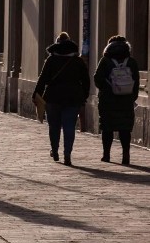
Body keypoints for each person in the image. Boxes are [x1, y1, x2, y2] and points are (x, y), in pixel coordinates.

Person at [32, 32, 90, 166]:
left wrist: (36, 94)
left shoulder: (51, 60)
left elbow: (43, 79)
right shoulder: (77, 61)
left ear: (57, 44)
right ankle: (67, 154)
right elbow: (86, 81)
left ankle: (55, 150)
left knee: (54, 126)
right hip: (73, 97)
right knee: (69, 126)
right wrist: (83, 96)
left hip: (53, 97)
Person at [93, 35, 140, 165]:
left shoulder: (105, 61)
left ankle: (106, 154)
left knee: (107, 128)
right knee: (125, 129)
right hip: (126, 101)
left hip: (108, 101)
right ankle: (126, 155)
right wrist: (132, 96)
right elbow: (136, 81)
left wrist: (106, 89)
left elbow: (97, 79)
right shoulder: (131, 62)